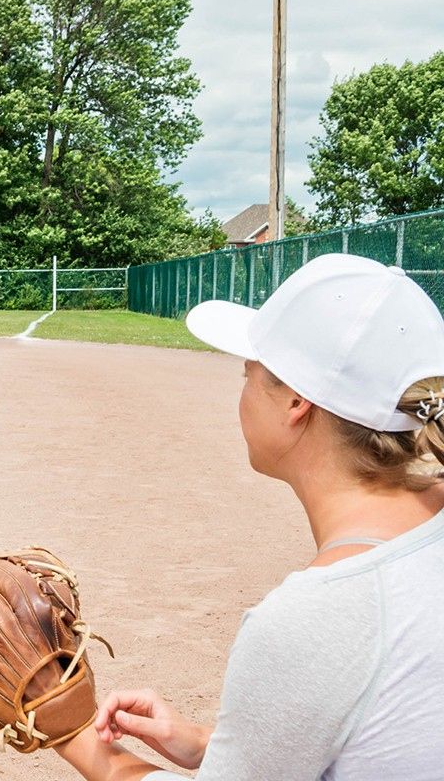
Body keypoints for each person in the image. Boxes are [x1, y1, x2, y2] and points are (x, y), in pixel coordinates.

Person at [51, 253, 444, 780]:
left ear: (296, 404)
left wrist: (69, 729)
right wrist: (206, 743)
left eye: (249, 373)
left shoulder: (316, 617)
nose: (241, 390)